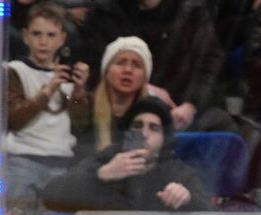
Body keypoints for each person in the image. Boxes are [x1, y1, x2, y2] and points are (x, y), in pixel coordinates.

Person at [81, 0, 232, 134]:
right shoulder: (105, 12)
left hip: (179, 109)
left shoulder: (192, 11)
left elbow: (210, 65)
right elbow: (94, 68)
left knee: (220, 122)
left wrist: (190, 105)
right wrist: (145, 89)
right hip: (122, 110)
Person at [42, 94, 209, 214]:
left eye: (154, 128)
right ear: (126, 133)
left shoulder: (176, 171)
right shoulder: (106, 159)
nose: (144, 134)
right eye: (137, 126)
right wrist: (101, 175)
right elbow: (50, 195)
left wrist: (188, 199)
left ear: (164, 139)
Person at [4, 3, 91, 215]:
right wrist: (48, 89)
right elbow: (14, 119)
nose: (43, 42)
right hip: (22, 161)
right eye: (37, 34)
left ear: (62, 39)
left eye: (51, 35)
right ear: (25, 36)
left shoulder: (68, 77)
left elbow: (80, 124)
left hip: (61, 163)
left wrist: (79, 93)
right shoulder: (14, 70)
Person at [87, 36, 158, 152]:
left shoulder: (152, 115)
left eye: (137, 65)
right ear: (106, 72)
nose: (128, 70)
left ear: (145, 78)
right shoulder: (86, 107)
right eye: (120, 63)